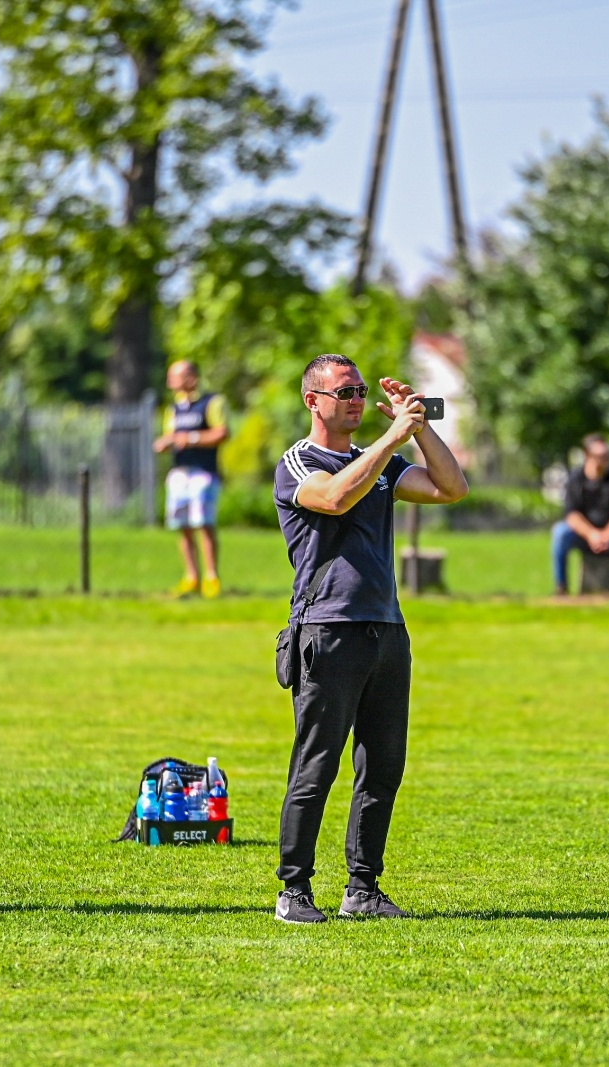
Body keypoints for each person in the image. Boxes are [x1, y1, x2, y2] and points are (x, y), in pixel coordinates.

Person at [270, 353, 468, 924]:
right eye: (344, 392)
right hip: (327, 630)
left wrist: (420, 427)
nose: (355, 398)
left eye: (360, 389)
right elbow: (333, 497)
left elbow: (451, 488)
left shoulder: (379, 461)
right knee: (317, 766)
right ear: (314, 401)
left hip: (386, 629)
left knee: (382, 766)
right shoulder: (298, 463)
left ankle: (363, 889)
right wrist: (390, 438)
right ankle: (294, 891)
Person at [153, 360, 228, 598]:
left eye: (176, 376)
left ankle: (211, 577)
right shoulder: (173, 409)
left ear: (192, 377)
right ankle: (191, 577)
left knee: (203, 524)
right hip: (179, 472)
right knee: (182, 526)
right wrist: (165, 443)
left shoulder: (211, 402)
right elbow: (171, 436)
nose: (170, 381)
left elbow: (222, 432)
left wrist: (191, 438)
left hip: (203, 472)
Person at [550, 433, 609, 597]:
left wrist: (606, 535)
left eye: (608, 455)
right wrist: (592, 534)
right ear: (587, 455)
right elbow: (572, 515)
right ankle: (561, 587)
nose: (606, 459)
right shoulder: (576, 478)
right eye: (601, 456)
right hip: (584, 537)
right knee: (560, 532)